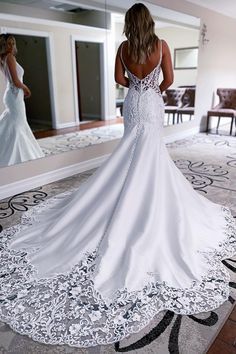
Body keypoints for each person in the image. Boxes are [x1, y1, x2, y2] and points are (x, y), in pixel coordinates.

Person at [0, 3, 235, 348]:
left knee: (130, 151)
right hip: (152, 101)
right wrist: (153, 82)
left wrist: (136, 81)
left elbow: (118, 80)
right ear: (149, 22)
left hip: (134, 102)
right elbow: (169, 80)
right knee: (150, 154)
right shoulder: (161, 45)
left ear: (129, 23)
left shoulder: (124, 48)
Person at [0, 34, 44, 167]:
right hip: (14, 95)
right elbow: (16, 81)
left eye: (13, 43)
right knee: (18, 125)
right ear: (3, 45)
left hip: (12, 95)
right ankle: (17, 158)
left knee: (16, 123)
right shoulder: (10, 58)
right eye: (9, 43)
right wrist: (27, 89)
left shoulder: (2, 58)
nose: (12, 46)